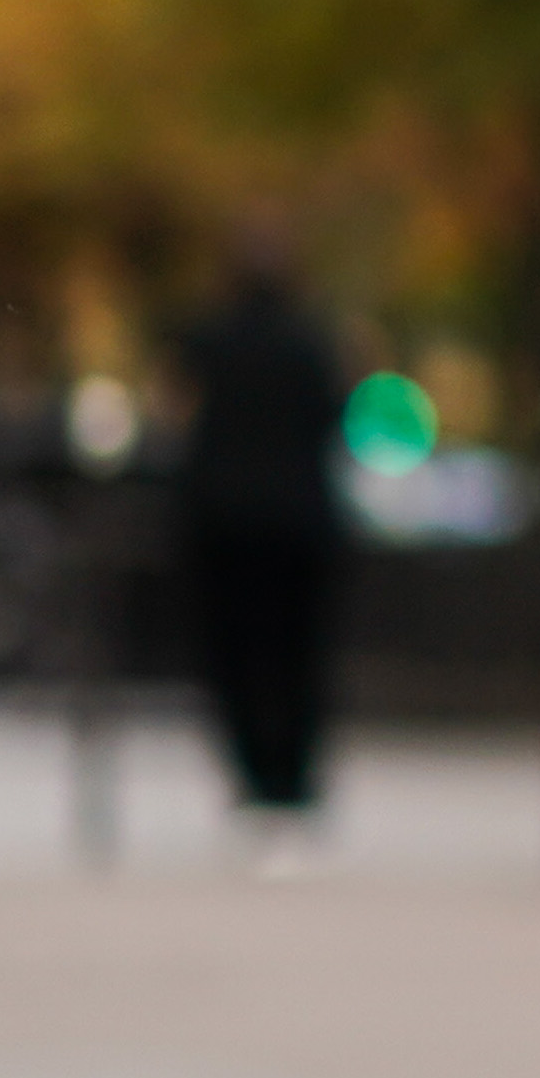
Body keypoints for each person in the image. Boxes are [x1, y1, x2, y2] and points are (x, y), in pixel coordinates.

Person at [170, 229, 351, 866]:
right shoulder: (314, 342)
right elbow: (335, 420)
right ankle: (292, 783)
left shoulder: (205, 340)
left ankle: (253, 781)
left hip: (223, 523)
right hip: (299, 523)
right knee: (298, 656)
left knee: (234, 657)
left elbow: (180, 421)